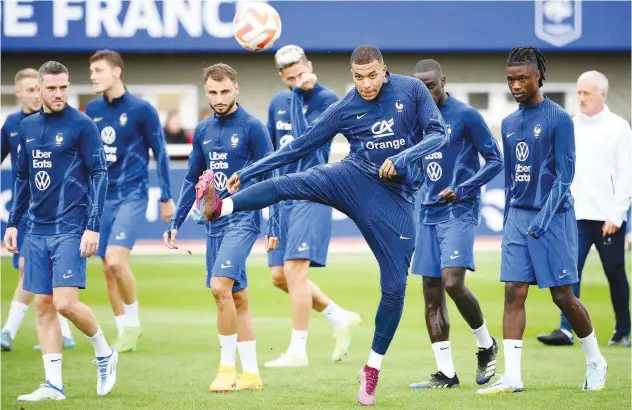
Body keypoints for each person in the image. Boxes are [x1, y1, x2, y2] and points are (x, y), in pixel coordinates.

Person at [196, 45, 450, 406]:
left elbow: (438, 134)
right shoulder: (347, 106)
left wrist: (403, 156)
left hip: (396, 200)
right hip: (353, 177)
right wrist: (246, 172)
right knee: (290, 182)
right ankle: (220, 207)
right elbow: (297, 147)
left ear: (385, 70)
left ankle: (372, 369)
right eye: (358, 77)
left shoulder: (411, 90)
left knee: (394, 286)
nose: (366, 84)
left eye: (372, 75)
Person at [477, 47, 607, 395]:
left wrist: (543, 220)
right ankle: (513, 377)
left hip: (553, 217)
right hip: (519, 218)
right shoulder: (508, 123)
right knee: (513, 292)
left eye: (522, 78)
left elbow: (565, 177)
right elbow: (510, 181)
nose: (515, 85)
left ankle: (596, 360)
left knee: (562, 296)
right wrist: (509, 223)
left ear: (538, 77)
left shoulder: (559, 118)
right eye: (510, 79)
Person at [4, 61, 118, 401]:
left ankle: (104, 352)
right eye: (51, 88)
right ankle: (53, 384)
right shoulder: (26, 127)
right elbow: (22, 178)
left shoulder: (82, 125)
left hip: (71, 226)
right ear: (37, 89)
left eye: (63, 87)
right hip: (36, 228)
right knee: (43, 305)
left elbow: (99, 174)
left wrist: (92, 227)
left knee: (65, 303)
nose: (58, 93)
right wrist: (13, 222)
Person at [164, 63, 279, 392]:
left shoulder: (253, 128)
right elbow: (191, 179)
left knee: (219, 287)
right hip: (214, 224)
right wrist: (177, 220)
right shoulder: (202, 131)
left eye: (224, 91)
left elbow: (273, 180)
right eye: (212, 93)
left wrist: (274, 226)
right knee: (237, 297)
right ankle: (252, 374)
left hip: (243, 219)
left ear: (236, 89)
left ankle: (227, 368)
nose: (218, 98)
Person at [407, 59, 502, 389]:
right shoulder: (413, 121)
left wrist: (463, 188)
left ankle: (486, 345)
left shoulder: (466, 116)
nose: (426, 91)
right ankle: (446, 373)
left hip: (459, 209)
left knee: (451, 283)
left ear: (443, 81)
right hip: (426, 213)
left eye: (431, 85)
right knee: (430, 291)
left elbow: (496, 160)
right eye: (419, 87)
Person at [265, 45, 361, 367]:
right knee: (278, 276)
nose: (296, 82)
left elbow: (304, 141)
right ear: (281, 76)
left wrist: (297, 97)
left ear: (309, 66)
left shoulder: (327, 100)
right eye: (288, 78)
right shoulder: (277, 102)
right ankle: (338, 316)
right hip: (281, 196)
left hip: (312, 190)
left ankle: (298, 351)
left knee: (295, 271)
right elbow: (273, 151)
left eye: (300, 73)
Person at [85, 50, 175, 353]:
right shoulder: (92, 109)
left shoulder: (141, 109)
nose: (92, 75)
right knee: (106, 268)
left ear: (116, 72)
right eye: (91, 70)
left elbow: (160, 152)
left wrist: (166, 196)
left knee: (116, 262)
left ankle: (133, 324)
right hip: (100, 198)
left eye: (98, 70)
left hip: (131, 195)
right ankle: (124, 331)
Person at [537, 71, 632, 347]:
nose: (580, 98)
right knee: (568, 273)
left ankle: (623, 330)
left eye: (586, 93)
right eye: (578, 93)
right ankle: (567, 330)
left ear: (602, 94)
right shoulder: (571, 125)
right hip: (573, 216)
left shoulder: (619, 128)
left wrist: (617, 213)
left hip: (606, 218)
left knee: (615, 272)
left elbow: (626, 174)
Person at [1, 69, 76, 352]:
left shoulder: (60, 123)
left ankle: (8, 330)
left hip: (56, 212)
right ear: (18, 93)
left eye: (38, 89)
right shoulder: (14, 125)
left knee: (29, 268)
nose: (35, 95)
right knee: (32, 271)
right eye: (30, 90)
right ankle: (63, 332)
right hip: (26, 209)